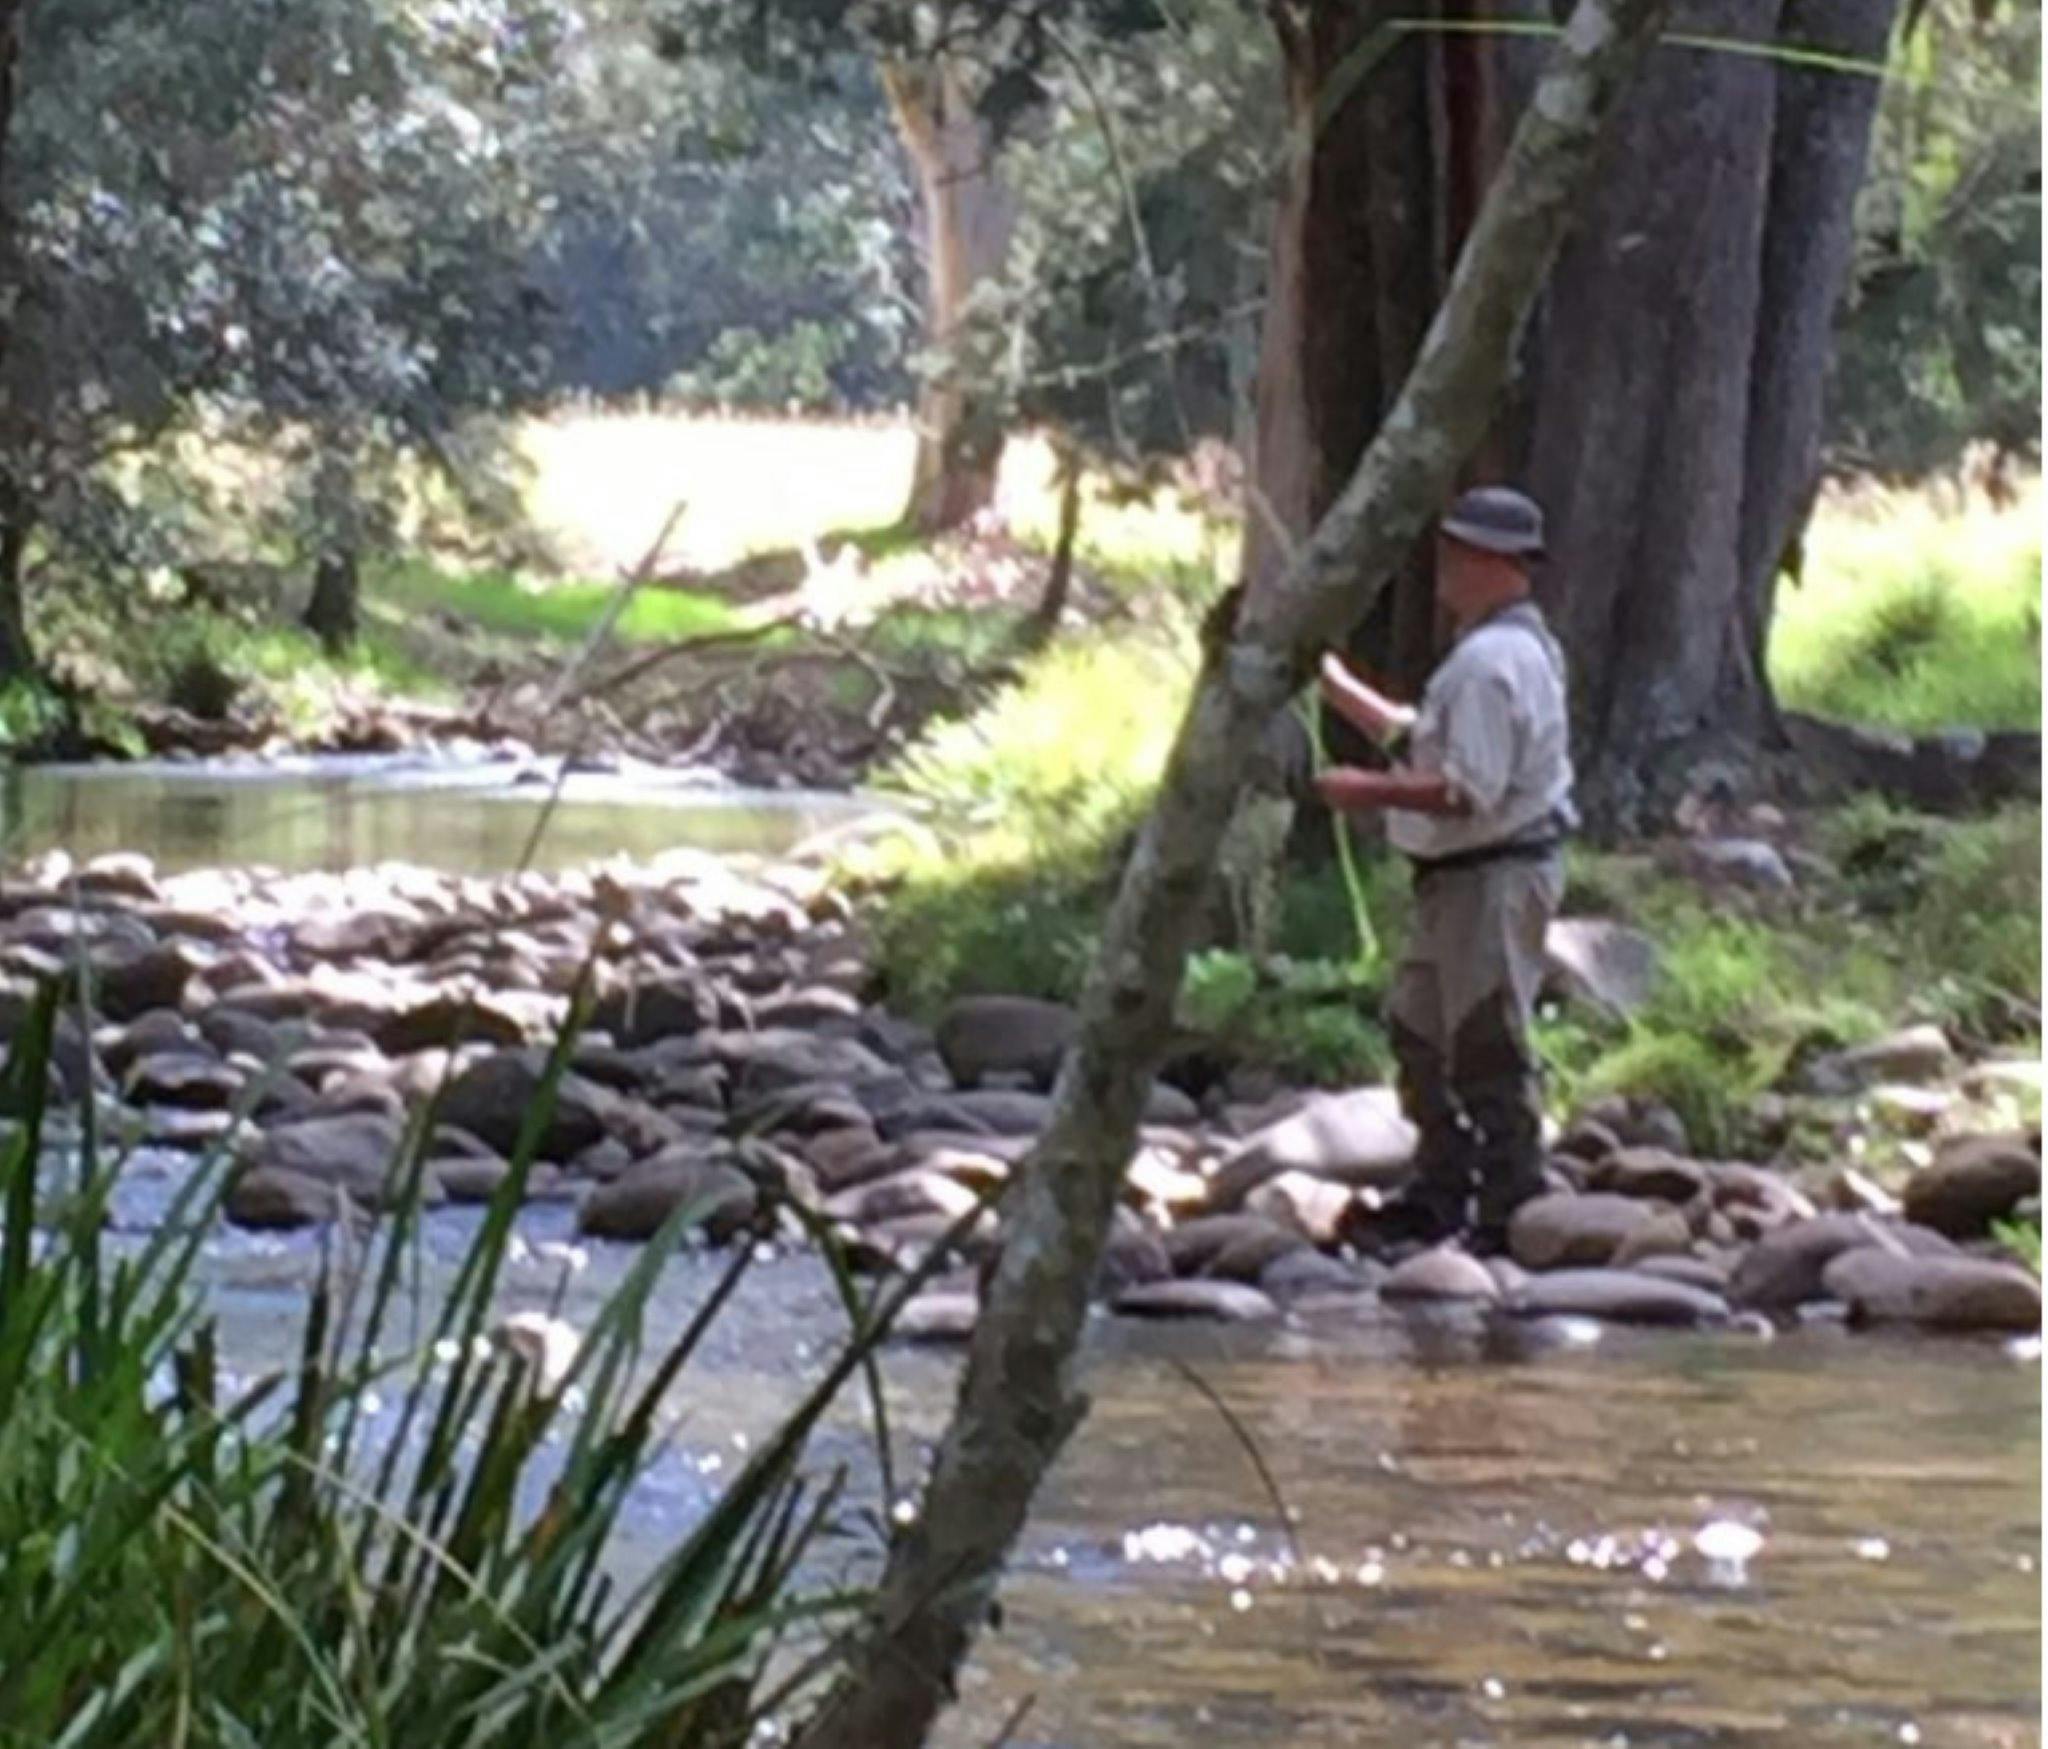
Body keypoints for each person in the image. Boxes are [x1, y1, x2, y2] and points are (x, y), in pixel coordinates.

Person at [1315, 485, 1576, 1254]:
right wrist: (1332, 686)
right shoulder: (1499, 652)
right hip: (1461, 878)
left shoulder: (1493, 661)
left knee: (1488, 1042)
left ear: (1500, 564)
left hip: (1492, 876)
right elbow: (1427, 739)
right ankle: (1441, 1189)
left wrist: (1364, 790)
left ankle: (1508, 1207)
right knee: (1420, 1031)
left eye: (1462, 553)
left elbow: (1469, 788)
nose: (1446, 567)